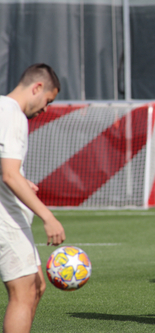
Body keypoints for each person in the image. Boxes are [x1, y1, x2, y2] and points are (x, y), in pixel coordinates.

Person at [0, 63, 66, 333]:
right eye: (47, 101)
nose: (45, 109)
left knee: (37, 284)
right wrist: (48, 217)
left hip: (11, 217)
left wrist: (18, 178)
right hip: (6, 218)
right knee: (25, 292)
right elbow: (9, 175)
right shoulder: (13, 114)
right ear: (37, 87)